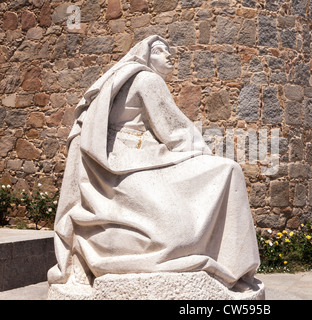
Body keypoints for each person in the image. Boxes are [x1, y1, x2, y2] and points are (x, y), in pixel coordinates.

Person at [47, 35, 260, 291]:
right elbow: (174, 131)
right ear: (146, 56)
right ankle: (236, 267)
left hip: (120, 164)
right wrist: (203, 153)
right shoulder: (147, 79)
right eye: (160, 51)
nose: (169, 56)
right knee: (228, 170)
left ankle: (95, 247)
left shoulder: (120, 80)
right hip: (138, 160)